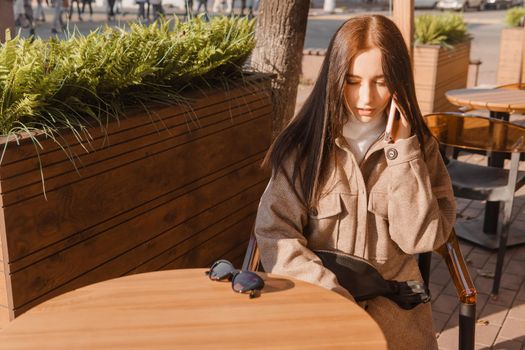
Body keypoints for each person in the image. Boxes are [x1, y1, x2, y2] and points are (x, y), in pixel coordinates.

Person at [254, 15, 456, 350]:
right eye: (352, 80)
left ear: (399, 79)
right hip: (318, 307)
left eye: (381, 81)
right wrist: (330, 294)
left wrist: (404, 153)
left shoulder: (420, 148)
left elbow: (421, 239)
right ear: (334, 78)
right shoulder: (304, 147)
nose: (366, 97)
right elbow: (275, 233)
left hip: (395, 315)